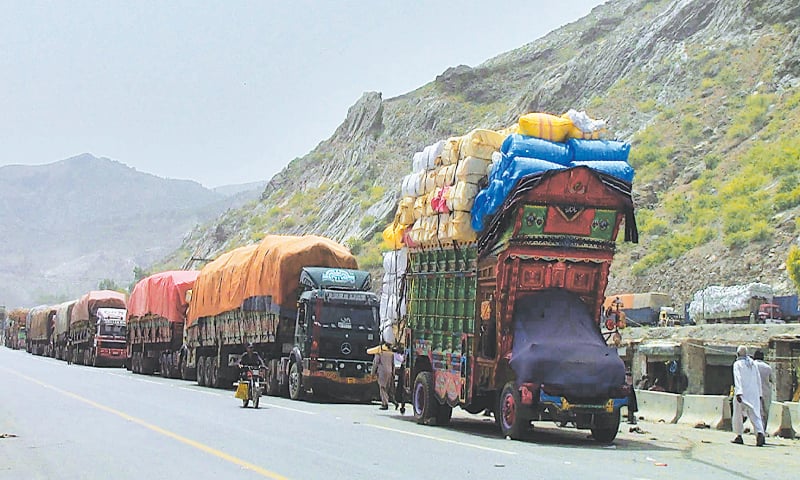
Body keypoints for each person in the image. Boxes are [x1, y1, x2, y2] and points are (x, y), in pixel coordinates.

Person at [732, 345, 765, 446]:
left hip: (742, 393)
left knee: (737, 414)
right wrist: (759, 393)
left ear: (737, 354)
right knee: (755, 414)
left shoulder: (737, 364)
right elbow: (758, 379)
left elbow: (737, 378)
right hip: (754, 394)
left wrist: (738, 392)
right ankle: (760, 432)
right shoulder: (753, 364)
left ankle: (739, 435)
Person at [753, 350, 774, 431]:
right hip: (765, 392)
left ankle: (758, 431)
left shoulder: (752, 365)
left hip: (754, 391)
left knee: (756, 412)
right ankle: (763, 430)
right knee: (765, 412)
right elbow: (772, 380)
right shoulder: (767, 367)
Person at [371, 344, 394, 410]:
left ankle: (385, 403)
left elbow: (375, 363)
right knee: (387, 387)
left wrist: (372, 373)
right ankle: (387, 400)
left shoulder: (379, 353)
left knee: (382, 387)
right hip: (389, 372)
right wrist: (393, 373)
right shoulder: (391, 353)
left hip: (382, 372)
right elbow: (393, 364)